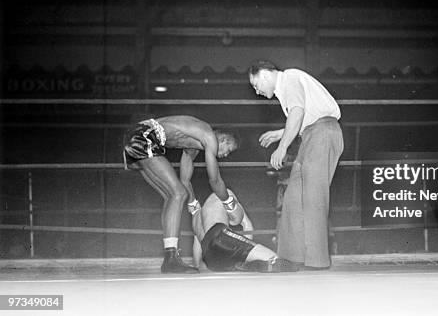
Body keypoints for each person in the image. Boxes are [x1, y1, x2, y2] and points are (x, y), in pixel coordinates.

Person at [248, 60, 344, 270]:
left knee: (313, 198)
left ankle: (317, 261)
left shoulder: (289, 78)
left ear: (265, 75)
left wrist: (282, 147)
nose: (257, 91)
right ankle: (292, 258)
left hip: (322, 134)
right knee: (294, 197)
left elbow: (298, 113)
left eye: (256, 85)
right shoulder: (287, 87)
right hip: (312, 135)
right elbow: (303, 118)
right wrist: (280, 134)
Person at [123, 115, 242, 273]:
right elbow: (215, 180)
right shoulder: (209, 137)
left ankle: (170, 257)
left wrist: (194, 207)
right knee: (177, 194)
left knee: (172, 195)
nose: (226, 155)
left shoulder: (192, 146)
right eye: (229, 150)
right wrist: (230, 205)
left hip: (138, 137)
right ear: (224, 140)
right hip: (144, 136)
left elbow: (185, 180)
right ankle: (170, 259)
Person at [190, 188, 297, 272]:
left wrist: (198, 267)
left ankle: (244, 264)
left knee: (233, 260)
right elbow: (247, 226)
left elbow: (197, 253)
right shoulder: (224, 196)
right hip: (220, 237)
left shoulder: (196, 216)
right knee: (279, 262)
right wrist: (245, 257)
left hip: (211, 260)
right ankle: (250, 264)